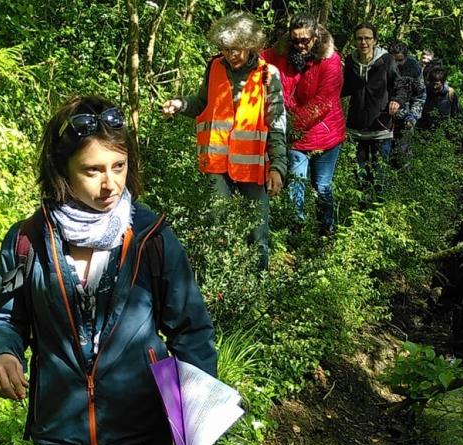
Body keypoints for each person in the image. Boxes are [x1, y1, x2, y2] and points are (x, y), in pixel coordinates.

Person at [0, 95, 217, 445]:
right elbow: (6, 316)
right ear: (61, 170)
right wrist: (3, 351)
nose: (110, 184)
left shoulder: (152, 238)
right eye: (92, 170)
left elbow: (190, 328)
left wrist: (197, 412)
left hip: (145, 427)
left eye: (118, 166)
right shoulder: (27, 241)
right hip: (61, 430)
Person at [161, 11, 287, 270]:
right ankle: (217, 279)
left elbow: (276, 122)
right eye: (226, 49)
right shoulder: (214, 67)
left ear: (251, 45)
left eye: (237, 49)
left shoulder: (268, 73)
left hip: (253, 166)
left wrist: (278, 166)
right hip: (217, 163)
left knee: (257, 231)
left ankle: (257, 282)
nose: (231, 55)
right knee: (216, 226)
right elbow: (201, 103)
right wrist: (180, 104)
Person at [262, 13, 345, 237]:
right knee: (296, 184)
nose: (300, 45)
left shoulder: (330, 60)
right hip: (296, 138)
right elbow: (257, 60)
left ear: (315, 37)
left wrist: (290, 126)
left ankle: (326, 230)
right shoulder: (280, 53)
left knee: (322, 186)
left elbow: (323, 102)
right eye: (295, 40)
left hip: (325, 134)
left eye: (304, 40)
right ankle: (295, 231)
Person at [341, 22, 406, 190]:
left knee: (379, 176)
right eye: (359, 39)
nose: (363, 42)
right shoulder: (350, 61)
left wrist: (396, 100)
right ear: (354, 41)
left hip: (381, 127)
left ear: (375, 40)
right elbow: (343, 88)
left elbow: (399, 85)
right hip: (356, 128)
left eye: (367, 38)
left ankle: (380, 203)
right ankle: (361, 206)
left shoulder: (386, 60)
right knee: (359, 177)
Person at [387, 42, 426, 168]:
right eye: (393, 60)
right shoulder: (382, 65)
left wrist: (413, 116)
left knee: (403, 154)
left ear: (406, 57)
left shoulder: (413, 68)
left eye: (400, 60)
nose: (396, 64)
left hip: (405, 117)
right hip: (383, 117)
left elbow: (420, 96)